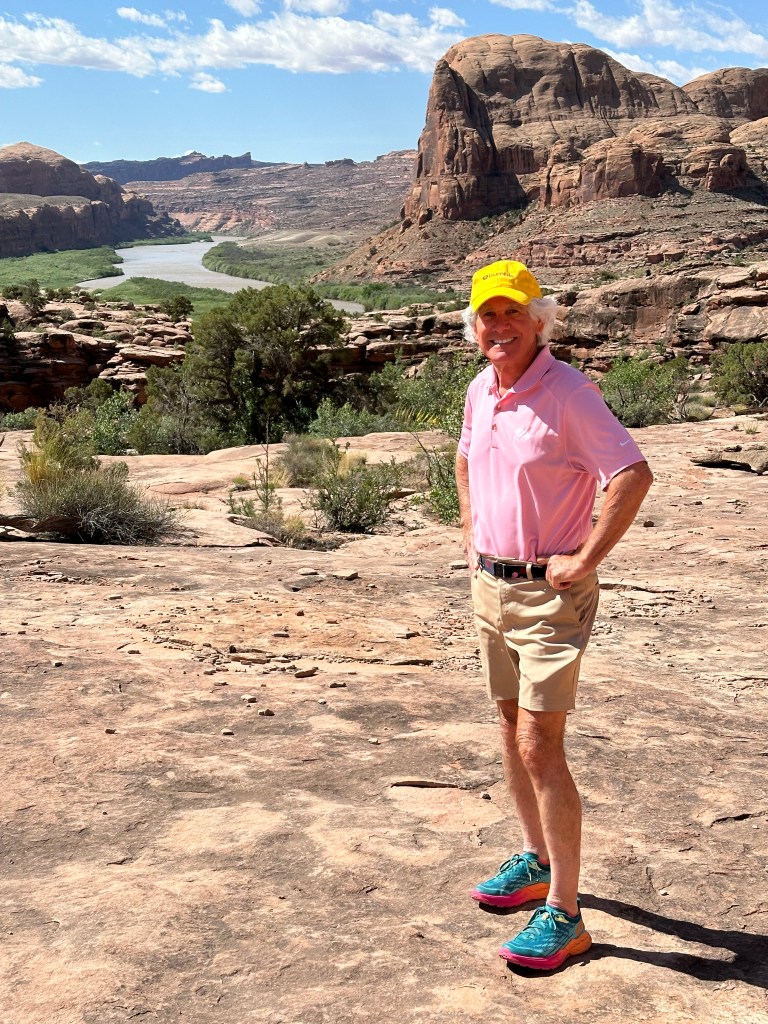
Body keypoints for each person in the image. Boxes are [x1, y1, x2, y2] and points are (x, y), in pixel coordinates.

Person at [455, 259, 653, 971]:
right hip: (491, 587)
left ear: (539, 321)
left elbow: (631, 474)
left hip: (548, 597)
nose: (499, 326)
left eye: (513, 312)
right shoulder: (481, 388)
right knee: (510, 727)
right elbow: (465, 459)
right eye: (488, 314)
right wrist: (472, 535)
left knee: (540, 743)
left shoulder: (569, 393)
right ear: (475, 326)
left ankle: (566, 915)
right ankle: (536, 861)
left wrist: (586, 558)